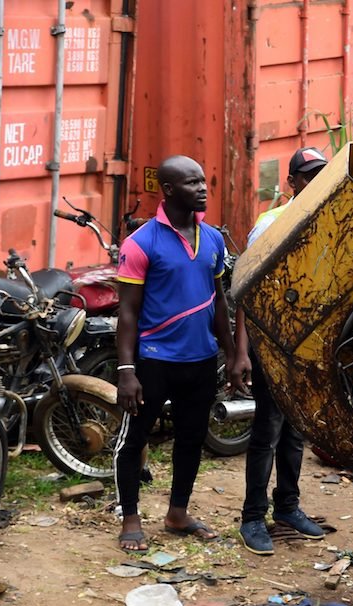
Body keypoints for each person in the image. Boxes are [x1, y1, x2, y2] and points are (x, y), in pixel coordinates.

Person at [114, 155, 245, 552]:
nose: (202, 189)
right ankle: (131, 517)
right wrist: (126, 369)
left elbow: (219, 301)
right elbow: (128, 312)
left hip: (201, 360)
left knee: (191, 438)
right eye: (192, 183)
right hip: (154, 361)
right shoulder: (141, 243)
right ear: (168, 190)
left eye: (204, 181)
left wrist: (234, 354)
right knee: (135, 439)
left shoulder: (215, 239)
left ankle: (177, 513)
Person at [235, 149, 328, 555]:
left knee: (296, 431)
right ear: (292, 182)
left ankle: (287, 507)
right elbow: (245, 291)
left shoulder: (330, 222)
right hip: (272, 345)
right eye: (308, 176)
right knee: (268, 431)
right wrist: (242, 351)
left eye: (322, 175)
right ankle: (252, 518)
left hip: (306, 346)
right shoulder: (270, 225)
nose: (316, 183)